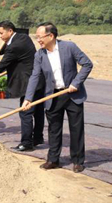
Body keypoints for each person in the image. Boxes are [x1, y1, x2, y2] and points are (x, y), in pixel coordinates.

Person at [23, 22, 92, 173]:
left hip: (72, 94)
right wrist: (28, 98)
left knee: (76, 128)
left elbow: (87, 64)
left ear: (51, 36)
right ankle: (53, 159)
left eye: (40, 37)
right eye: (37, 37)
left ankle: (78, 160)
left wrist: (76, 83)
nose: (38, 40)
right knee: (54, 129)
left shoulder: (69, 47)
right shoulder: (39, 54)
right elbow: (35, 76)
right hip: (53, 95)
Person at [0, 20, 45, 151]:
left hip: (28, 82)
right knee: (37, 111)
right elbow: (9, 49)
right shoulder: (23, 37)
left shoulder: (14, 47)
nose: (0, 36)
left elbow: (2, 65)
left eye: (1, 33)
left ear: (10, 31)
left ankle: (26, 143)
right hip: (38, 80)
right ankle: (37, 138)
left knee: (25, 112)